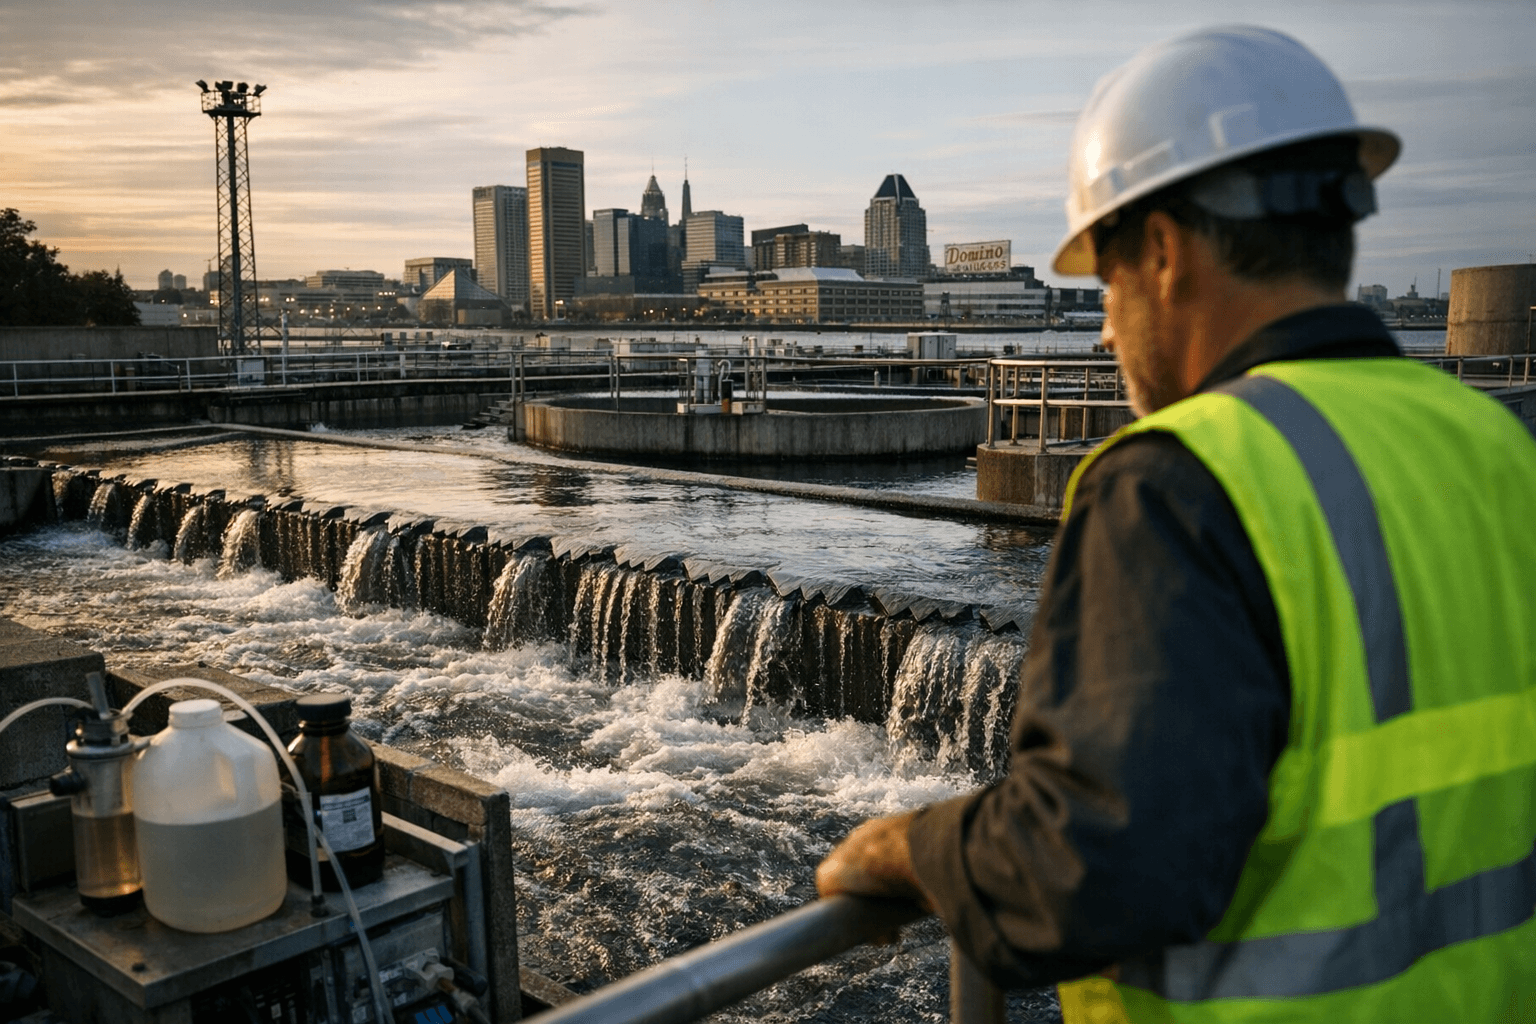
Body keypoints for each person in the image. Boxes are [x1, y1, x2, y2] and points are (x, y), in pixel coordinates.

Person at [816, 25, 1536, 1023]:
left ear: (1161, 250)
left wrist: (911, 846)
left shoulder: (1182, 481)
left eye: (1105, 283)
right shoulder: (1496, 446)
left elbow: (1093, 869)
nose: (1105, 328)